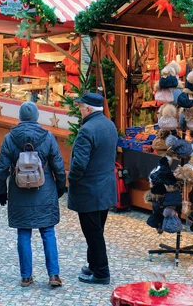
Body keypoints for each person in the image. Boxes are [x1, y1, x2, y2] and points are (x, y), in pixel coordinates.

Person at [0, 102, 66, 288]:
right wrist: (60, 187)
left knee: (24, 233)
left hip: (19, 192)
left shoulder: (10, 138)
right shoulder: (48, 137)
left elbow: (1, 168)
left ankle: (26, 276)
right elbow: (58, 165)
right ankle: (53, 275)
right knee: (48, 232)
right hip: (45, 189)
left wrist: (1, 191)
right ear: (36, 116)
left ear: (20, 117)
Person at [68, 92, 118, 285]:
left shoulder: (87, 130)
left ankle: (102, 272)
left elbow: (79, 164)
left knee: (93, 233)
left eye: (81, 107)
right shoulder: (109, 125)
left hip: (89, 191)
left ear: (88, 109)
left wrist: (71, 180)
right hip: (106, 188)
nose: (80, 110)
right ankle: (94, 264)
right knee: (97, 229)